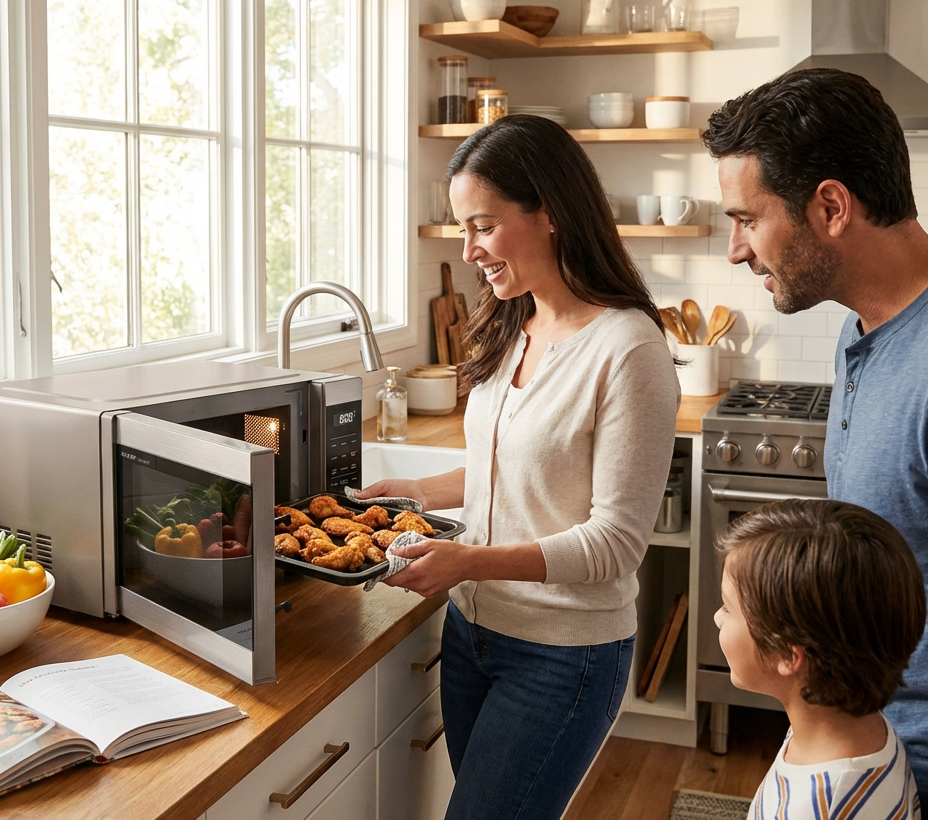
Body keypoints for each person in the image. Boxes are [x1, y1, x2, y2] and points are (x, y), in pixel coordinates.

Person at [355, 114, 680, 820]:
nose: (469, 249)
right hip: (473, 636)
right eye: (463, 229)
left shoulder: (628, 350)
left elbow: (614, 543)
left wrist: (465, 562)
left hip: (563, 654)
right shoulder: (510, 323)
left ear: (552, 213)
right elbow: (506, 472)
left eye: (484, 226)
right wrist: (415, 490)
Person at [702, 67, 928, 798]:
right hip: (864, 748)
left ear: (830, 205)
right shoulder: (862, 329)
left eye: (746, 218)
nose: (736, 249)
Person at [714, 498, 925, 819]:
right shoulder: (863, 728)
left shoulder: (818, 807)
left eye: (729, 608)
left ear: (788, 654)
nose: (718, 617)